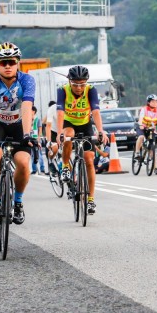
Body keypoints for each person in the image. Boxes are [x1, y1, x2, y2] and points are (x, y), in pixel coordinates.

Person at [0, 42, 35, 225]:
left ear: (18, 62)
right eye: (3, 63)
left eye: (12, 62)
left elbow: (27, 106)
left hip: (19, 125)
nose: (8, 66)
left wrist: (27, 134)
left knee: (23, 162)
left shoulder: (26, 80)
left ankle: (18, 202)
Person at [56, 65, 109, 215]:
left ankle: (90, 199)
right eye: (75, 84)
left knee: (89, 160)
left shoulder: (91, 90)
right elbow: (60, 113)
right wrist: (59, 133)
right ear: (69, 81)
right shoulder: (62, 90)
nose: (79, 88)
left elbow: (95, 111)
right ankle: (65, 167)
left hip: (85, 124)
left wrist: (100, 130)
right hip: (69, 123)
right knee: (69, 134)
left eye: (82, 84)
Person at [134, 94, 157, 175]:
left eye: (156, 101)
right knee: (141, 137)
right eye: (153, 101)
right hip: (142, 127)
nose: (155, 103)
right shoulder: (144, 109)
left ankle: (155, 167)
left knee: (152, 148)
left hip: (151, 129)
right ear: (148, 102)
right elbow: (140, 119)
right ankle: (137, 153)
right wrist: (141, 125)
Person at [44, 100, 59, 174]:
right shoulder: (51, 109)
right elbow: (47, 125)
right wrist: (48, 141)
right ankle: (50, 160)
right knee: (54, 148)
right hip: (53, 131)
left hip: (64, 130)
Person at [30, 106, 46, 174]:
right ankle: (34, 169)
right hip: (30, 139)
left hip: (36, 138)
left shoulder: (38, 119)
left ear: (33, 111)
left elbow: (40, 130)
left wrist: (38, 139)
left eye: (30, 110)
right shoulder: (28, 119)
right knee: (32, 154)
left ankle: (42, 169)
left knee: (39, 154)